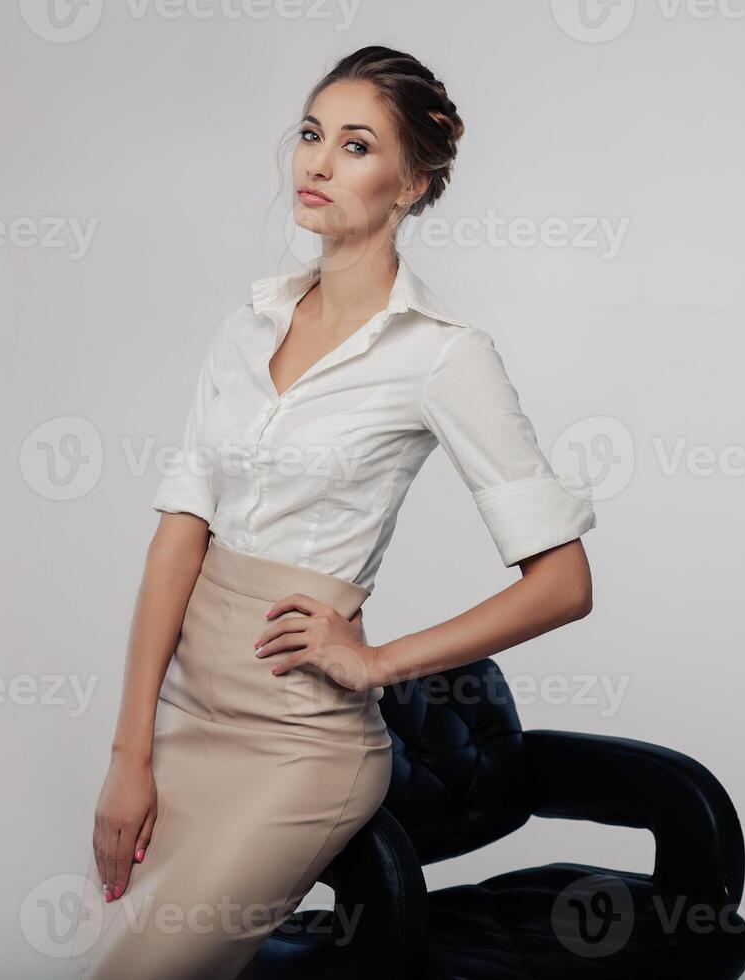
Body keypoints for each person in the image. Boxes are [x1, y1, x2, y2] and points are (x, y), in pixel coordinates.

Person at [69, 44, 597, 980]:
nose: (316, 162)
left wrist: (377, 661)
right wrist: (130, 754)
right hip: (184, 723)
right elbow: (179, 535)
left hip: (299, 746)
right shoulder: (249, 322)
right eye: (311, 135)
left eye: (356, 146)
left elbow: (563, 585)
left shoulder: (443, 355)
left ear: (413, 182)